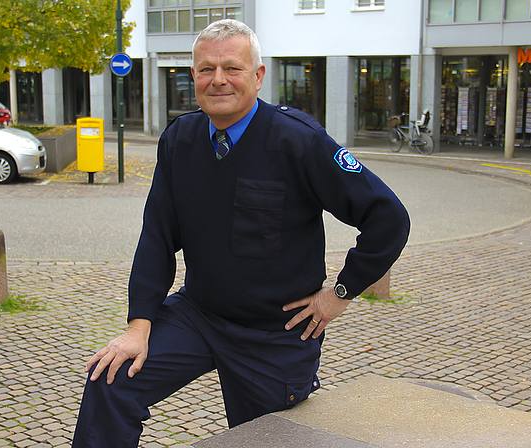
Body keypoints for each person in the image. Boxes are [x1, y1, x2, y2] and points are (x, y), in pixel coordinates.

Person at [72, 19, 410, 447]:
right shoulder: (181, 139)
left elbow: (389, 218)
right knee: (111, 378)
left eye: (231, 68)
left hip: (274, 332)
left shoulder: (298, 141)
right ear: (192, 75)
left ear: (258, 76)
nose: (218, 80)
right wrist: (138, 327)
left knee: (265, 440)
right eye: (205, 69)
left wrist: (339, 294)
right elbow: (157, 237)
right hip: (199, 314)